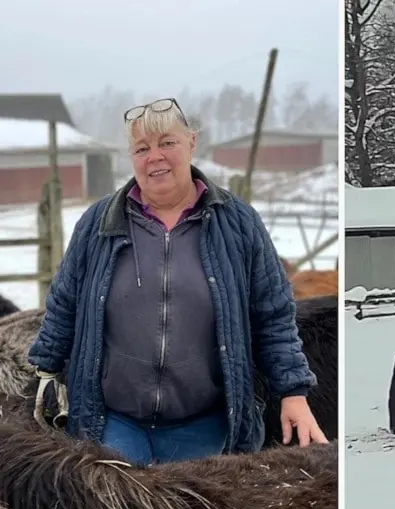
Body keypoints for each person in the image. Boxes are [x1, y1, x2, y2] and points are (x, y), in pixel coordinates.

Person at [27, 97, 329, 466]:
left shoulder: (237, 223)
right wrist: (44, 373)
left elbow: (273, 315)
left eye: (167, 143)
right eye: (142, 148)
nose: (155, 157)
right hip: (113, 422)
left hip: (205, 425)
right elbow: (64, 303)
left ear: (191, 142)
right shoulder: (98, 223)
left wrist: (293, 392)